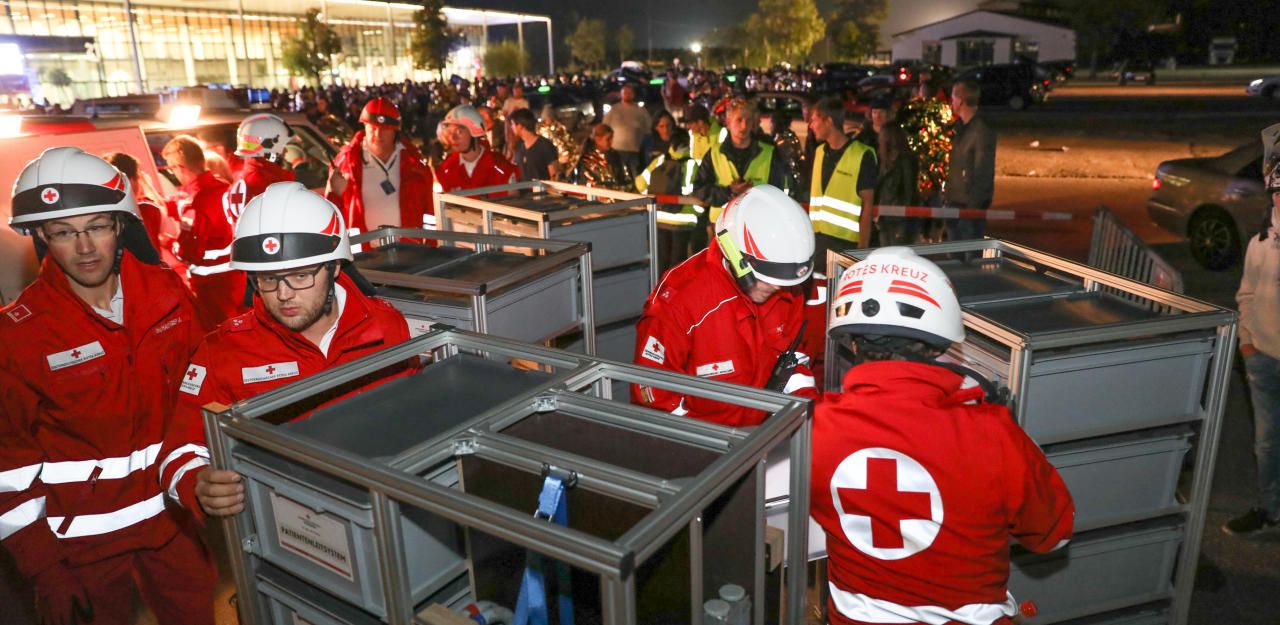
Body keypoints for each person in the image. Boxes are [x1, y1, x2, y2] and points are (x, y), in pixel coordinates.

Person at [0, 147, 216, 625]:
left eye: (97, 226)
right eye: (63, 233)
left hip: (173, 526)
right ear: (40, 235)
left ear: (121, 225)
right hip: (79, 550)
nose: (84, 248)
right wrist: (43, 568)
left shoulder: (167, 296)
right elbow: (5, 470)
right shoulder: (17, 335)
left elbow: (203, 396)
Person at [812, 246, 1074, 625]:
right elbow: (1054, 534)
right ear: (939, 342)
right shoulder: (993, 433)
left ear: (851, 341)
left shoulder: (815, 428)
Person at [158, 182, 415, 521]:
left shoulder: (385, 325)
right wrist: (195, 483)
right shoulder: (223, 351)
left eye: (300, 275)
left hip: (387, 510)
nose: (283, 294)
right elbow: (179, 448)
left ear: (335, 267)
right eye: (268, 279)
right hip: (289, 528)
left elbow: (414, 418)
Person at [632, 185, 820, 426]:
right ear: (733, 252)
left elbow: (793, 361)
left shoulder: (787, 289)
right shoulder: (680, 303)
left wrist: (812, 421)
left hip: (760, 439)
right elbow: (654, 401)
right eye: (768, 278)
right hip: (704, 450)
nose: (776, 288)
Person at [1225, 127, 1280, 535]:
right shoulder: (1260, 241)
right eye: (1276, 190)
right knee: (1266, 445)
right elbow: (1245, 293)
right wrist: (1247, 344)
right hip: (1261, 360)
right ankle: (1272, 511)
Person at [163, 135, 246, 330]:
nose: (174, 174)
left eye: (171, 168)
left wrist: (169, 243)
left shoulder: (196, 200)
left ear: (180, 167)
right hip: (236, 276)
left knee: (221, 336)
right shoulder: (223, 186)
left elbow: (189, 251)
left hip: (211, 284)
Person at [328, 97, 436, 233]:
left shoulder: (415, 165)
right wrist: (336, 194)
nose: (378, 134)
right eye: (372, 128)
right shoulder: (345, 164)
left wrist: (430, 246)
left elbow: (430, 212)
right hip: (364, 252)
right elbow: (330, 215)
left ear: (395, 132)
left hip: (410, 249)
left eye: (385, 129)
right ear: (364, 127)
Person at [691, 96, 793, 227]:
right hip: (722, 229)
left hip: (756, 227)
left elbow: (780, 193)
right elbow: (699, 189)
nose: (744, 126)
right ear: (728, 122)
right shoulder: (714, 154)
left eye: (748, 120)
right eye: (739, 120)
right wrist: (729, 192)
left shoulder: (770, 153)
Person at [807, 97, 878, 257]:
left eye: (814, 120)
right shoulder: (819, 153)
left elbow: (868, 205)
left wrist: (862, 249)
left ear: (829, 121)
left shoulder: (861, 155)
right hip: (817, 244)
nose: (811, 126)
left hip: (846, 246)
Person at [944, 79, 996, 242]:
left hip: (968, 207)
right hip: (955, 202)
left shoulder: (981, 131)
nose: (951, 102)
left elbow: (983, 172)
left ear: (960, 101)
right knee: (955, 257)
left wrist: (973, 208)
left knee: (970, 258)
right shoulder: (960, 128)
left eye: (953, 98)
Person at [224, 113, 297, 222]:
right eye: (282, 146)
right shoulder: (268, 185)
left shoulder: (240, 179)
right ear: (268, 151)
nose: (285, 151)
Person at [436, 104, 518, 192]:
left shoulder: (501, 169)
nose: (452, 138)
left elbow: (514, 201)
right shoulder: (446, 170)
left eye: (459, 132)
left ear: (475, 131)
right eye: (449, 132)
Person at [875, 122, 921, 246]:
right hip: (886, 216)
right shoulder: (885, 161)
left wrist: (905, 219)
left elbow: (909, 191)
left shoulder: (905, 160)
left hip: (899, 217)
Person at [603, 84, 651, 178]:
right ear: (621, 94)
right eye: (625, 93)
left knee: (635, 175)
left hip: (634, 150)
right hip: (617, 150)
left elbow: (648, 128)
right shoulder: (614, 109)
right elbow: (605, 127)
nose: (627, 95)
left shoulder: (640, 110)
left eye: (629, 93)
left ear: (633, 94)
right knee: (618, 174)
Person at [571, 123, 630, 190]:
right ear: (598, 139)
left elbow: (623, 177)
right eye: (608, 139)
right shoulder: (588, 159)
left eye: (611, 138)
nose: (611, 142)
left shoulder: (614, 155)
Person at [510, 108, 560, 182]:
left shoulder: (545, 146)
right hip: (523, 193)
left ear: (520, 126)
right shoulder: (519, 147)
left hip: (542, 192)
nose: (511, 127)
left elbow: (555, 175)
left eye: (513, 124)